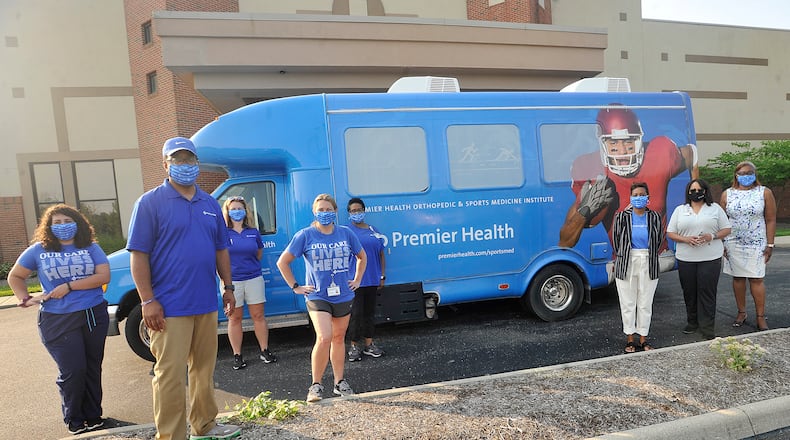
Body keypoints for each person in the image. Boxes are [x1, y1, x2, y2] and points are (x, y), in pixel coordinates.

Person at [127, 137, 240, 440]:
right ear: (165, 164)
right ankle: (171, 436)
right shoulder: (150, 203)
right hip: (168, 306)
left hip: (205, 302)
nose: (185, 166)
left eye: (190, 160)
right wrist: (147, 300)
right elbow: (138, 256)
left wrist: (228, 287)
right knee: (169, 375)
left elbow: (221, 250)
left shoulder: (210, 204)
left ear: (197, 163)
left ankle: (204, 425)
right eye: (177, 160)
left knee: (204, 371)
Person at [8, 204, 110, 436]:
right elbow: (15, 276)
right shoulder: (38, 250)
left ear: (78, 223)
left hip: (92, 313)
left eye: (67, 221)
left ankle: (93, 416)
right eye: (57, 223)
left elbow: (103, 276)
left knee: (92, 367)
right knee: (73, 370)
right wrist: (24, 297)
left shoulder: (90, 247)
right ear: (49, 227)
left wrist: (69, 286)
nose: (63, 226)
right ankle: (74, 418)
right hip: (57, 318)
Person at [559, 105, 698, 250]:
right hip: (623, 258)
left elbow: (692, 154)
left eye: (628, 141)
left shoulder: (659, 153)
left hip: (657, 257)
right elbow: (565, 242)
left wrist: (694, 204)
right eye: (613, 142)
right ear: (602, 143)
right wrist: (584, 212)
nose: (623, 150)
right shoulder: (593, 172)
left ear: (639, 140)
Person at [276, 193, 367, 403]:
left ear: (335, 211)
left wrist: (357, 279)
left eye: (328, 210)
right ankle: (315, 385)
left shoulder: (345, 233)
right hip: (317, 296)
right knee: (324, 337)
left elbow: (362, 257)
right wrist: (296, 287)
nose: (324, 213)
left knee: (338, 338)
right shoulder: (305, 235)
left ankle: (339, 382)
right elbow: (283, 262)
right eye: (321, 210)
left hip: (343, 294)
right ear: (314, 212)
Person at [667, 179, 731, 340]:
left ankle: (707, 327)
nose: (696, 193)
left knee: (707, 292)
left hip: (710, 257)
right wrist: (686, 239)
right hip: (686, 258)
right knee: (690, 292)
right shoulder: (680, 210)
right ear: (688, 192)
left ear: (705, 191)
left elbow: (727, 229)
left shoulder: (714, 209)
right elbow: (670, 232)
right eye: (692, 190)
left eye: (699, 189)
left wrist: (712, 236)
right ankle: (692, 322)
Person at [720, 161, 777, 331]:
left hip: (757, 243)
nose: (746, 176)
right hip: (733, 242)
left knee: (756, 278)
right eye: (742, 173)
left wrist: (770, 243)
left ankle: (760, 316)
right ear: (736, 175)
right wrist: (722, 243)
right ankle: (741, 312)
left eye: (749, 173)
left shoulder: (764, 192)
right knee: (737, 278)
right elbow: (721, 221)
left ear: (755, 174)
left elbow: (771, 219)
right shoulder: (727, 194)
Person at [222, 196, 277, 370]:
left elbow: (258, 253)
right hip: (232, 283)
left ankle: (265, 350)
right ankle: (237, 355)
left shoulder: (253, 231)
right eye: (233, 209)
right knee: (234, 318)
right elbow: (219, 258)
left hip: (254, 278)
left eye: (240, 208)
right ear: (227, 212)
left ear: (246, 211)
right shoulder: (222, 232)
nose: (237, 211)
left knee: (258, 316)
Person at [612, 182, 664, 353]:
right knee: (628, 302)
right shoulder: (621, 217)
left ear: (648, 198)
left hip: (648, 261)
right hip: (627, 261)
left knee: (645, 302)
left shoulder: (655, 216)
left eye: (642, 194)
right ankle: (630, 339)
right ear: (630, 197)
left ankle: (643, 338)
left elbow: (658, 240)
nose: (638, 198)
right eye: (635, 195)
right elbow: (616, 240)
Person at [345, 197, 387, 362]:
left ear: (364, 211)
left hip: (372, 280)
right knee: (356, 314)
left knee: (369, 314)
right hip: (354, 282)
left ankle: (369, 345)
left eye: (359, 210)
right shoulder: (346, 231)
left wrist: (381, 276)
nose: (356, 213)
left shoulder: (373, 229)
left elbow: (381, 254)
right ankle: (354, 347)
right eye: (353, 211)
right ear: (349, 213)